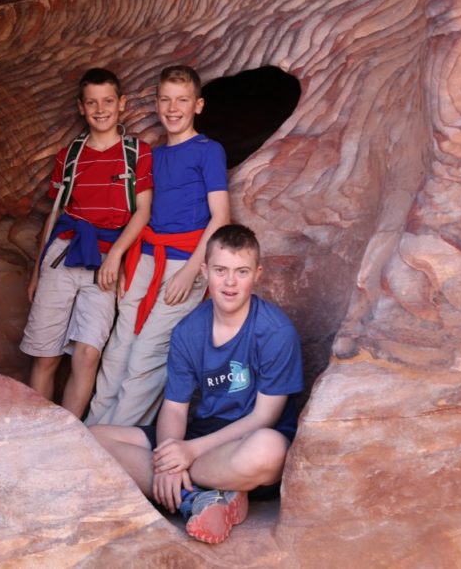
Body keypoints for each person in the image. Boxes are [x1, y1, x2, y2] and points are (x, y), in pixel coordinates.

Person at [90, 224, 304, 544]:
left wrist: (188, 453)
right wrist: (168, 462)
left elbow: (264, 417)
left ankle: (194, 491)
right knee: (94, 437)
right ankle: (199, 498)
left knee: (269, 451)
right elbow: (175, 407)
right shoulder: (189, 330)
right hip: (201, 434)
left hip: (246, 441)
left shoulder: (275, 331)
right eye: (220, 270)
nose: (230, 282)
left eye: (241, 271)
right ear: (204, 271)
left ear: (257, 274)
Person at [86, 65, 231, 427]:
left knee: (147, 355)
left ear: (198, 105)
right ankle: (91, 431)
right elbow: (143, 213)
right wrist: (125, 261)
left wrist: (190, 271)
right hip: (146, 260)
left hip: (185, 261)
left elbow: (221, 217)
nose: (172, 107)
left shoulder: (209, 150)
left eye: (182, 100)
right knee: (117, 352)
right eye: (165, 99)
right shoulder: (151, 154)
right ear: (155, 104)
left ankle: (115, 442)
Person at [19, 68, 152, 418]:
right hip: (63, 255)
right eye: (92, 102)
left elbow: (142, 212)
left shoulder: (137, 153)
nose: (100, 109)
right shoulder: (70, 156)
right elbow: (55, 215)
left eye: (108, 101)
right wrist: (36, 272)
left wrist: (116, 258)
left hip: (105, 260)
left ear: (121, 104)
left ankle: (69, 436)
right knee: (45, 355)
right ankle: (38, 431)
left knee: (88, 353)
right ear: (81, 107)